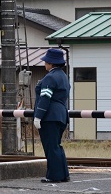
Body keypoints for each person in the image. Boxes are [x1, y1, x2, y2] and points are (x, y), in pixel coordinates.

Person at [33, 48, 70, 183]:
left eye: (46, 61)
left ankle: (54, 176)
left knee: (50, 147)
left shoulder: (50, 77)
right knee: (57, 145)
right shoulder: (63, 76)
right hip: (61, 115)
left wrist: (38, 116)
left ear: (51, 63)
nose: (45, 64)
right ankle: (63, 174)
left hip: (50, 116)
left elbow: (45, 98)